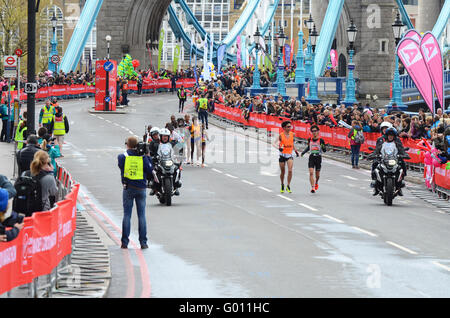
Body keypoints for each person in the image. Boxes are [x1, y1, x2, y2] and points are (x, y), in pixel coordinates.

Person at [117, 136, 153, 249]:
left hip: (128, 187)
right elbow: (150, 170)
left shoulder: (123, 157)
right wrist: (147, 156)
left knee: (127, 215)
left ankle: (124, 242)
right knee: (141, 215)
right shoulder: (142, 158)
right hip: (141, 188)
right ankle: (143, 243)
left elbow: (120, 165)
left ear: (127, 145)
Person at [372, 127, 407, 196]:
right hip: (383, 159)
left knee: (402, 164)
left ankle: (400, 185)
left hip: (394, 159)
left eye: (392, 135)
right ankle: (375, 184)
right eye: (389, 135)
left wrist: (404, 154)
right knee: (375, 163)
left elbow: (401, 149)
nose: (390, 136)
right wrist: (374, 155)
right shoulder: (381, 140)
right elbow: (377, 149)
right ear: (387, 135)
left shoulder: (397, 141)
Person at [274, 121, 300, 193]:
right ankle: (282, 184)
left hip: (289, 155)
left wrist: (296, 151)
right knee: (283, 171)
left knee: (290, 170)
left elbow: (291, 143)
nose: (290, 128)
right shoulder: (281, 135)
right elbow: (274, 143)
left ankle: (288, 185)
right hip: (282, 155)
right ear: (284, 128)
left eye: (290, 126)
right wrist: (279, 148)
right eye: (288, 127)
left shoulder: (292, 134)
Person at [301, 125, 327, 193]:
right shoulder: (310, 139)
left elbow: (324, 150)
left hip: (318, 157)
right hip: (311, 157)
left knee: (317, 175)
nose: (314, 132)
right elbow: (308, 147)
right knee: (311, 173)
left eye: (315, 131)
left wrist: (322, 146)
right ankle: (313, 188)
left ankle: (316, 182)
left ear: (318, 131)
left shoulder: (321, 140)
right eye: (313, 131)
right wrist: (303, 152)